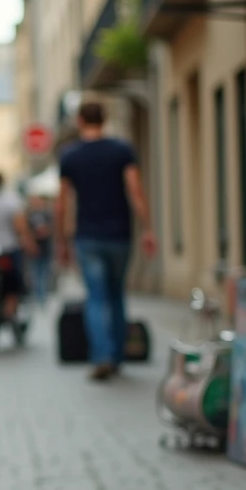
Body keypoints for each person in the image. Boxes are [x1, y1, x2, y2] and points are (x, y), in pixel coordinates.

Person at [56, 100, 156, 381]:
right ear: (105, 119)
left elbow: (62, 203)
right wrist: (148, 229)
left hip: (87, 236)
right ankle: (118, 355)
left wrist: (61, 241)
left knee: (96, 298)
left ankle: (102, 356)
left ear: (79, 121)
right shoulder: (121, 150)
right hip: (119, 234)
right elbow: (135, 191)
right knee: (116, 295)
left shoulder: (70, 156)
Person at [0, 171, 38, 323]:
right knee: (14, 283)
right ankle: (11, 313)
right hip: (8, 247)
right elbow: (21, 226)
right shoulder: (11, 201)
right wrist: (30, 244)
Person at [25, 194, 55, 306]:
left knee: (44, 272)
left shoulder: (47, 214)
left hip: (45, 247)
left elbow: (51, 229)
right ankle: (38, 297)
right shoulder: (29, 215)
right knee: (36, 273)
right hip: (35, 248)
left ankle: (42, 296)